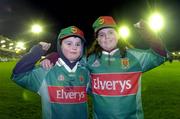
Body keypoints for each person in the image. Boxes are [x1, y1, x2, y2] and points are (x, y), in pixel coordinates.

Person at [40, 16, 170, 119]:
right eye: (101, 34)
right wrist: (53, 56)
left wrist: (148, 33)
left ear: (118, 35)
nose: (106, 37)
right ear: (97, 39)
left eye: (110, 32)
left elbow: (160, 54)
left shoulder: (135, 57)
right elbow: (69, 56)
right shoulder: (89, 60)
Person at [11, 26, 90, 119]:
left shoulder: (86, 72)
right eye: (69, 43)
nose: (74, 47)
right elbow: (18, 75)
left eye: (78, 44)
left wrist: (53, 56)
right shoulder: (45, 71)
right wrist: (36, 52)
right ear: (59, 46)